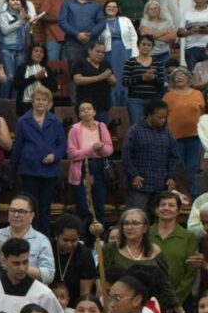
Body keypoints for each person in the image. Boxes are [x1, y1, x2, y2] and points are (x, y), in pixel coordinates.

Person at [11, 85, 65, 237]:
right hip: (29, 170)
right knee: (30, 207)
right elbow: (18, 146)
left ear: (49, 103)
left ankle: (45, 239)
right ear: (32, 102)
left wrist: (54, 155)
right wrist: (13, 169)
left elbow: (62, 145)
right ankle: (29, 237)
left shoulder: (56, 122)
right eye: (38, 99)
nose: (41, 102)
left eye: (44, 100)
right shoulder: (23, 121)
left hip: (49, 171)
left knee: (45, 208)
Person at [122, 98, 179, 212]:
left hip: (161, 185)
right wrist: (134, 175)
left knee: (159, 220)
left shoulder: (167, 133)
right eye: (159, 117)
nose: (163, 120)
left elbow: (173, 157)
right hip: (140, 185)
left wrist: (171, 176)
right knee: (136, 217)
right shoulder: (134, 131)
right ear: (149, 115)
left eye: (165, 117)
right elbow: (126, 157)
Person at [67, 100, 113, 231]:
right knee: (83, 207)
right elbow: (71, 154)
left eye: (89, 108)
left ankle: (100, 241)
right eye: (82, 110)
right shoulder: (74, 130)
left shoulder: (101, 126)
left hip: (99, 166)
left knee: (99, 205)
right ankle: (83, 241)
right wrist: (92, 149)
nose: (86, 111)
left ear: (94, 112)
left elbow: (109, 149)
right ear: (79, 114)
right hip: (81, 167)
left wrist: (101, 149)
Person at [149, 191, 200, 309]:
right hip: (149, 300)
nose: (166, 208)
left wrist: (174, 301)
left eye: (171, 205)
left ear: (178, 210)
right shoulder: (146, 234)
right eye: (162, 205)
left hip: (181, 301)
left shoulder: (188, 237)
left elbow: (191, 272)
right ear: (156, 209)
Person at [164, 67, 203, 196]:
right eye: (176, 75)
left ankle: (193, 196)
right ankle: (177, 196)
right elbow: (162, 116)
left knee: (192, 167)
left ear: (188, 78)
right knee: (177, 167)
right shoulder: (168, 96)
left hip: (195, 136)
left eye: (181, 74)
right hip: (175, 137)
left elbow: (202, 112)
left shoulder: (198, 94)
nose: (178, 77)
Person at [52, 214, 97, 308]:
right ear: (56, 236)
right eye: (65, 240)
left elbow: (85, 292)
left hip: (75, 306)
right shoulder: (47, 248)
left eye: (73, 240)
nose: (69, 245)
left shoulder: (85, 254)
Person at [100, 0, 139, 108]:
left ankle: (125, 105)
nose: (111, 8)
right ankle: (113, 105)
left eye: (114, 7)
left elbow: (133, 37)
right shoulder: (101, 21)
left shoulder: (125, 20)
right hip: (109, 53)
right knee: (112, 79)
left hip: (125, 52)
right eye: (109, 6)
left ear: (118, 9)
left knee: (124, 78)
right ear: (104, 8)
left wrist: (134, 54)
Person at [60, 0, 106, 66]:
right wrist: (77, 34)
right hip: (72, 43)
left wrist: (91, 34)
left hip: (92, 43)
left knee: (93, 67)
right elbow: (62, 21)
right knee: (74, 68)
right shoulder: (67, 4)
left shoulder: (96, 5)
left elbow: (102, 22)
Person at [0, 0, 31, 93]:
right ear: (8, 2)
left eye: (17, 0)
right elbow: (5, 30)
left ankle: (15, 105)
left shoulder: (22, 15)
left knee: (18, 78)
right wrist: (20, 21)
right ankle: (2, 101)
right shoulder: (3, 15)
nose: (15, 2)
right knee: (9, 77)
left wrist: (29, 23)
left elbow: (24, 32)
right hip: (7, 49)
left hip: (20, 50)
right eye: (13, 0)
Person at [13, 44, 58, 117]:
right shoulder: (22, 67)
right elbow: (16, 85)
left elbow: (54, 88)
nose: (39, 53)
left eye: (41, 52)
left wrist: (42, 78)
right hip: (26, 104)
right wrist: (34, 77)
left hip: (44, 104)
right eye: (36, 51)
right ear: (31, 53)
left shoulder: (47, 69)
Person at [178, 0, 208, 70]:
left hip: (207, 47)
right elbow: (179, 33)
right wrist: (189, 32)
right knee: (193, 76)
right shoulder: (187, 13)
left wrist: (199, 30)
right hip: (191, 48)